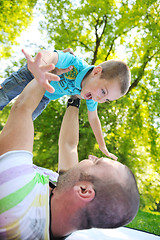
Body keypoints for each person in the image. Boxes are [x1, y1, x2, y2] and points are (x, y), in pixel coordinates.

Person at [0, 74, 139, 239]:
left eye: (96, 163)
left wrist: (50, 68)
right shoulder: (64, 213)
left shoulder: (17, 197)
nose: (91, 156)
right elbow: (69, 145)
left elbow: (23, 108)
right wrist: (75, 98)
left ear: (84, 191)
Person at [0, 48, 131, 161]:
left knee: (22, 122)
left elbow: (93, 118)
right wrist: (41, 65)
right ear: (96, 72)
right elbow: (52, 56)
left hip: (45, 96)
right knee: (4, 95)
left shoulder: (91, 95)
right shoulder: (74, 64)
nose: (99, 99)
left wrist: (102, 145)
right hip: (33, 74)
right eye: (103, 91)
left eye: (106, 100)